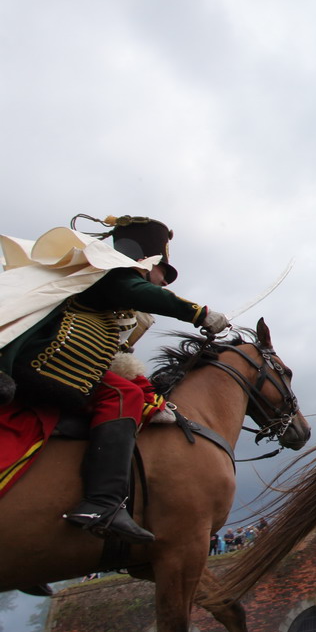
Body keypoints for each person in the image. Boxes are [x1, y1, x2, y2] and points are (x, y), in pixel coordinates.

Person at [0, 215, 230, 543]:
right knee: (122, 396)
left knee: (129, 388)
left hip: (68, 372)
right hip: (47, 366)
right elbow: (137, 291)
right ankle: (103, 502)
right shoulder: (112, 274)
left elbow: (115, 351)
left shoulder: (110, 298)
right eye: (164, 270)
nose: (165, 282)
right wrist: (198, 313)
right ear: (143, 262)